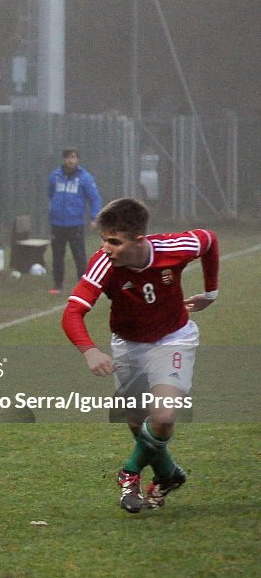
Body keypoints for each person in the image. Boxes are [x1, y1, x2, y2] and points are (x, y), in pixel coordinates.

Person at [62, 197, 218, 514]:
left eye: (114, 242)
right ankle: (167, 475)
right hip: (128, 344)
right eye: (103, 240)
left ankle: (129, 473)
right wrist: (90, 351)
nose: (106, 248)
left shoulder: (175, 248)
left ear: (138, 240)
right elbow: (72, 313)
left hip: (173, 338)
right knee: (137, 422)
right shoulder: (103, 264)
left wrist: (210, 293)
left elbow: (209, 240)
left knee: (162, 418)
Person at [48, 147, 102, 295]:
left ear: (77, 159)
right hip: (57, 223)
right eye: (67, 157)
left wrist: (94, 217)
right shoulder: (55, 176)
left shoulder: (85, 178)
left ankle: (83, 285)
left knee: (79, 255)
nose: (70, 160)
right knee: (57, 255)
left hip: (75, 223)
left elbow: (95, 198)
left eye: (73, 157)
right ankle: (58, 284)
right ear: (63, 159)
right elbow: (51, 193)